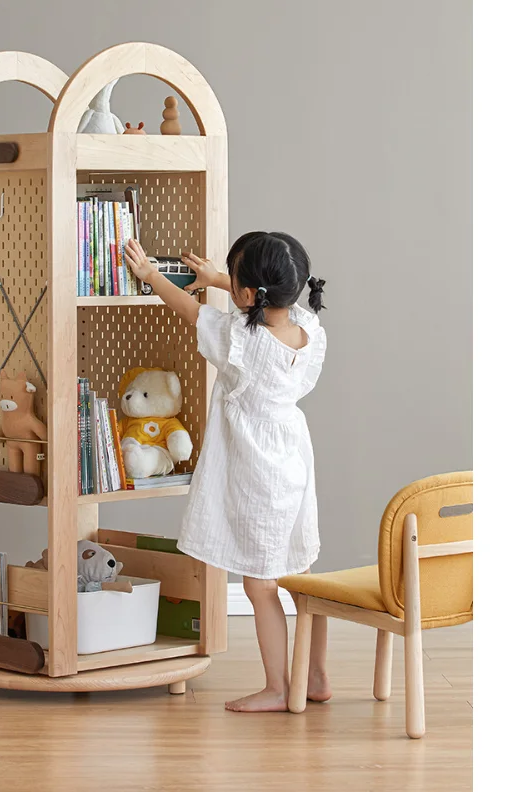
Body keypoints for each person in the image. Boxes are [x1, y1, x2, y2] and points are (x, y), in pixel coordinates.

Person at [124, 231, 329, 712]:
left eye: (233, 278)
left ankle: (278, 688)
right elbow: (262, 311)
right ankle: (316, 675)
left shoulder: (241, 339)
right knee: (303, 578)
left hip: (261, 469)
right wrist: (220, 278)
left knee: (261, 586)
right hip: (294, 459)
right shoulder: (309, 328)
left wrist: (151, 274)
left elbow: (191, 310)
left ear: (248, 295)